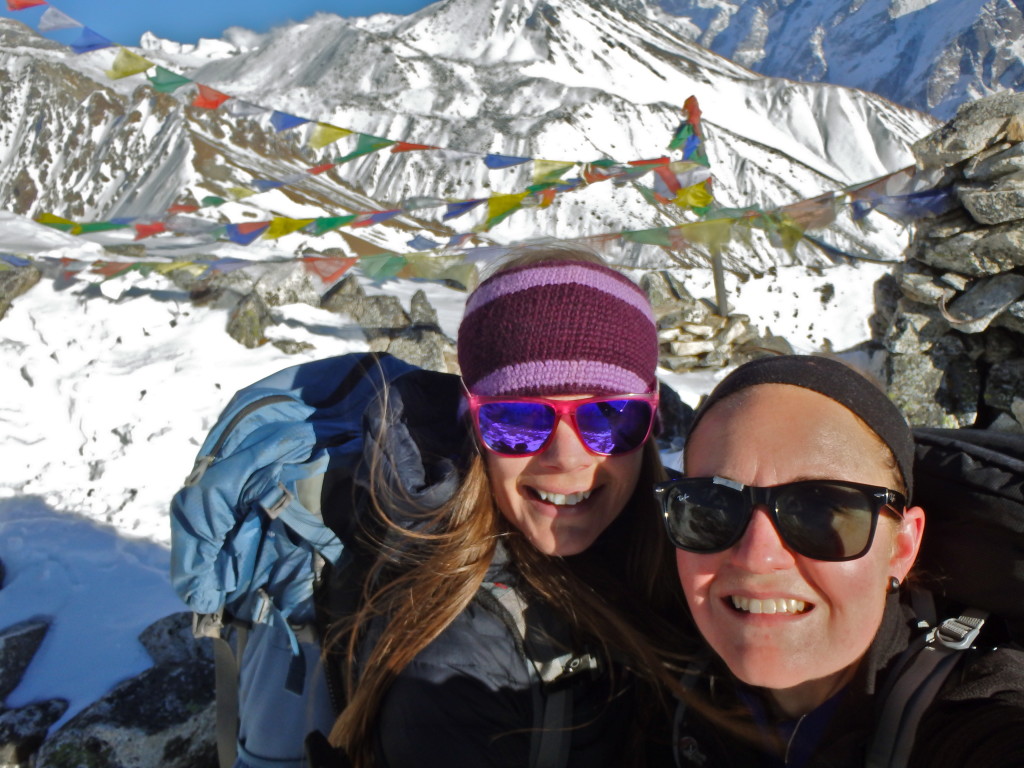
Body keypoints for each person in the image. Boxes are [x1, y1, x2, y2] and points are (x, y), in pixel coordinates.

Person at [318, 249, 687, 767]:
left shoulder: (698, 550)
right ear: (473, 428)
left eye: (610, 417)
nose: (567, 457)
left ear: (651, 422)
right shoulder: (450, 665)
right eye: (517, 419)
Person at [656, 354, 1024, 767]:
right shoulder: (651, 664)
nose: (757, 557)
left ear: (901, 548)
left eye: (822, 512)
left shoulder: (976, 709)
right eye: (713, 508)